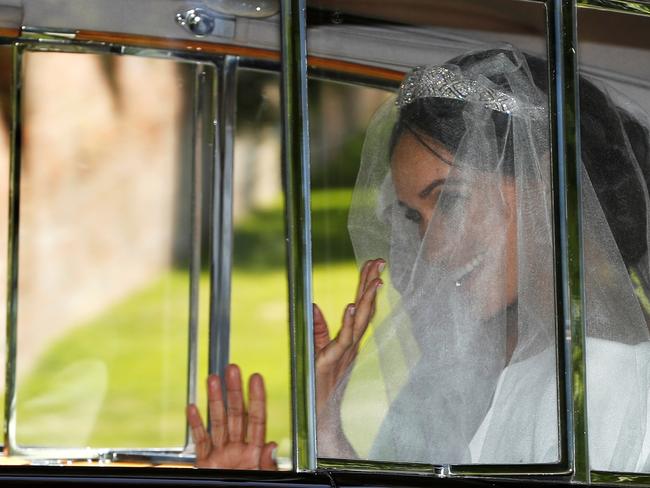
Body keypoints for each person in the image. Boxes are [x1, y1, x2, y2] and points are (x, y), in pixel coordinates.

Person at [188, 45, 650, 470]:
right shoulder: (473, 362)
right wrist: (326, 426)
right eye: (414, 215)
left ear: (547, 180)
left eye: (449, 199)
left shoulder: (611, 375)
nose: (431, 248)